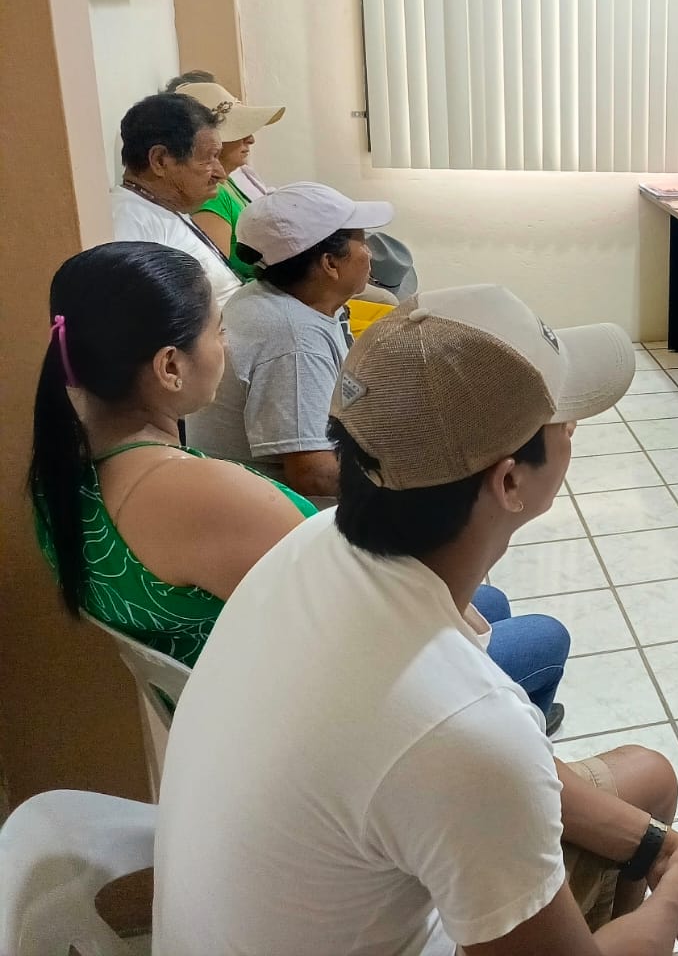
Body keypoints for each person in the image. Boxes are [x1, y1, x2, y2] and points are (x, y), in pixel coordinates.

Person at [155, 285, 678, 956]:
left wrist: (659, 849)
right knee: (642, 799)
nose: (572, 431)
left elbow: (500, 770)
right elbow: (477, 759)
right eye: (563, 419)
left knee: (647, 781)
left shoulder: (313, 544)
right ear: (510, 482)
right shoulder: (462, 726)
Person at [27, 243, 571, 727]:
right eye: (218, 330)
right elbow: (383, 624)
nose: (227, 344)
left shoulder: (60, 475)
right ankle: (517, 748)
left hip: (227, 695)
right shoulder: (205, 496)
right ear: (170, 366)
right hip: (315, 712)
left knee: (491, 601)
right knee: (544, 634)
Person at [187, 182, 394, 500]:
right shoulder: (293, 339)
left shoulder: (270, 298)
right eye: (362, 242)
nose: (370, 253)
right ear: (330, 264)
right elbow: (315, 477)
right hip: (280, 514)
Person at [109, 93, 243, 307]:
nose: (220, 173)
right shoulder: (127, 219)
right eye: (209, 158)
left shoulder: (165, 207)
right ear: (160, 161)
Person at [166, 72, 286, 281]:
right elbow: (219, 279)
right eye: (239, 131)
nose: (250, 139)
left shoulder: (228, 182)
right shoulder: (210, 197)